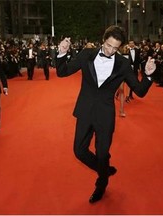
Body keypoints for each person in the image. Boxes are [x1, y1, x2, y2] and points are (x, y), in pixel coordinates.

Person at [56, 25, 156, 203]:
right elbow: (63, 72)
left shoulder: (123, 64)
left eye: (115, 48)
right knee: (79, 151)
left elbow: (139, 91)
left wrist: (148, 76)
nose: (110, 51)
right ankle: (104, 169)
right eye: (108, 45)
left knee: (102, 153)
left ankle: (101, 183)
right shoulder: (87, 54)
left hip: (105, 115)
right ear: (104, 40)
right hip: (85, 111)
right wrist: (62, 53)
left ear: (120, 47)